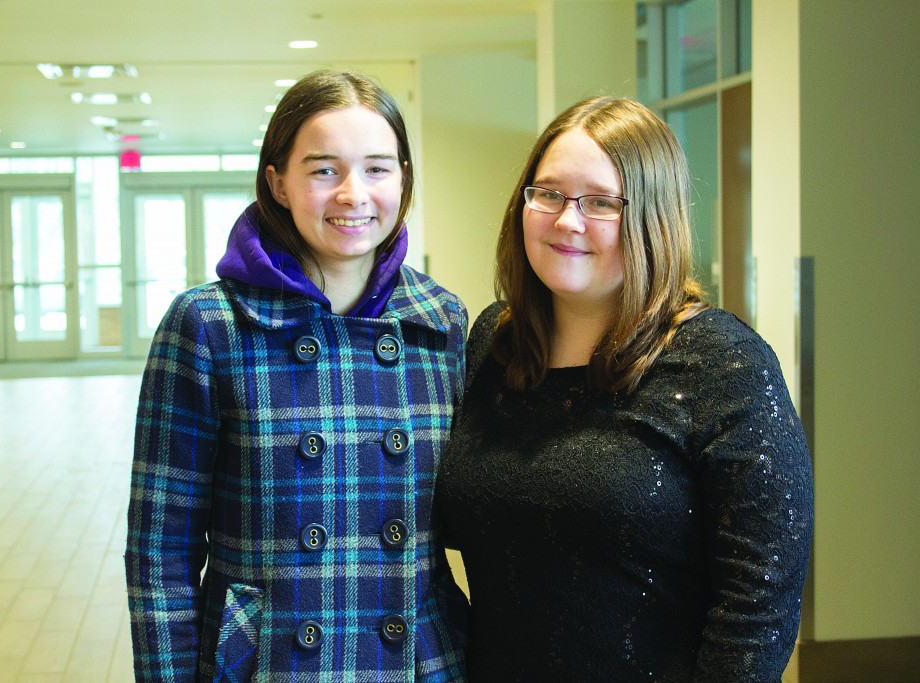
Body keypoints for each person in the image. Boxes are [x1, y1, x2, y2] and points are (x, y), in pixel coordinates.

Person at [435, 96, 813, 682]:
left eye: (602, 202)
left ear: (653, 218)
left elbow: (756, 604)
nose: (567, 219)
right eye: (550, 193)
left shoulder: (721, 363)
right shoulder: (495, 341)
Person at [126, 69, 469, 682]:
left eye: (377, 168)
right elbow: (161, 555)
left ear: (404, 180)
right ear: (277, 183)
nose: (353, 194)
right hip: (270, 662)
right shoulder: (208, 326)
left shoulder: (440, 323)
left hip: (419, 661)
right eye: (323, 170)